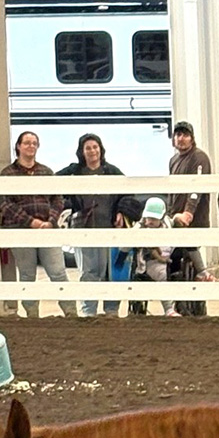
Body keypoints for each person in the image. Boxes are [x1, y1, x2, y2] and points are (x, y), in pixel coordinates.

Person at [0, 132, 77, 318]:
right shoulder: (8, 174)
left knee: (58, 272)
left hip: (47, 229)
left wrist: (51, 221)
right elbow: (5, 204)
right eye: (27, 143)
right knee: (27, 274)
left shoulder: (46, 172)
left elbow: (58, 199)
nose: (31, 146)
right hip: (20, 229)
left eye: (34, 143)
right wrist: (30, 222)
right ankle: (32, 315)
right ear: (18, 146)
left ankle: (71, 313)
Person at [57, 133, 126, 317]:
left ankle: (111, 310)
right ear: (81, 151)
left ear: (101, 149)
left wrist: (121, 210)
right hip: (83, 230)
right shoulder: (75, 172)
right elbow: (54, 182)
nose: (92, 151)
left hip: (109, 229)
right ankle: (89, 311)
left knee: (110, 273)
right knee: (89, 272)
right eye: (88, 148)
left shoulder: (112, 171)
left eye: (95, 147)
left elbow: (127, 193)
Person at [167, 120, 215, 315]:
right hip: (175, 217)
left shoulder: (199, 158)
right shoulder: (173, 160)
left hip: (193, 220)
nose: (181, 138)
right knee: (175, 263)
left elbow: (197, 187)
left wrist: (189, 212)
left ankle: (197, 304)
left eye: (185, 135)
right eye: (178, 135)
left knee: (189, 259)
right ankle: (181, 306)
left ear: (191, 138)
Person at [130, 196, 177, 316]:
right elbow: (128, 243)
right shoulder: (140, 228)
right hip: (149, 262)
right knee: (161, 274)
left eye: (154, 219)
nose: (150, 222)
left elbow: (174, 222)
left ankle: (202, 272)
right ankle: (168, 309)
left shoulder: (168, 223)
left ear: (161, 218)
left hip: (169, 256)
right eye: (148, 218)